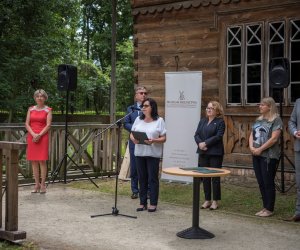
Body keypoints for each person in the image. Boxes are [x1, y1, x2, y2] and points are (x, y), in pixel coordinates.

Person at [130, 98, 166, 212]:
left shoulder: (159, 120)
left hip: (153, 154)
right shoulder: (138, 119)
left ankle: (153, 203)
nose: (143, 107)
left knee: (152, 179)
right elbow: (132, 133)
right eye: (143, 106)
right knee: (142, 178)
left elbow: (164, 138)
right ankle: (142, 202)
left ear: (152, 108)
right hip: (139, 153)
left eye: (146, 106)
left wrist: (154, 140)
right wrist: (134, 139)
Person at [249, 97, 282, 217]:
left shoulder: (276, 120)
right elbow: (251, 135)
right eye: (260, 105)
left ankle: (269, 209)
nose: (260, 106)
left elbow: (274, 139)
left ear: (269, 106)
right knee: (261, 182)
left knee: (268, 182)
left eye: (262, 105)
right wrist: (252, 148)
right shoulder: (258, 120)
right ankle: (264, 207)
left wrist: (260, 149)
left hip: (269, 156)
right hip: (256, 154)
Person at [194, 101, 225, 210]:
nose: (208, 110)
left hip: (215, 153)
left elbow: (218, 136)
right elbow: (196, 134)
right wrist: (200, 144)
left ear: (217, 110)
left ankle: (215, 201)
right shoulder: (202, 121)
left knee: (215, 177)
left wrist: (205, 143)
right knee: (205, 177)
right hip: (203, 152)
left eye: (211, 108)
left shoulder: (220, 122)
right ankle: (207, 200)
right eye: (207, 108)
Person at [25, 89, 52, 194]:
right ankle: (36, 184)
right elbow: (27, 124)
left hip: (43, 136)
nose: (39, 98)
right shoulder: (31, 109)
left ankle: (43, 184)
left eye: (41, 96)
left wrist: (39, 135)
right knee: (34, 161)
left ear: (45, 98)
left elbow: (48, 125)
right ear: (35, 98)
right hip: (32, 137)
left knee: (42, 161)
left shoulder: (48, 110)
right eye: (37, 96)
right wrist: (33, 134)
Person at [124, 86, 148, 199]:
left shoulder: (149, 108)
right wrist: (135, 129)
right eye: (141, 93)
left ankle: (147, 190)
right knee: (134, 166)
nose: (143, 95)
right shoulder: (131, 109)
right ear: (136, 95)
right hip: (134, 140)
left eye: (145, 93)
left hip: (145, 141)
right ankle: (135, 190)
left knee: (145, 166)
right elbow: (126, 123)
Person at [287, 98, 300, 222]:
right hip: (299, 147)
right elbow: (291, 122)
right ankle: (298, 212)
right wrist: (295, 132)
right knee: (299, 182)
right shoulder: (298, 102)